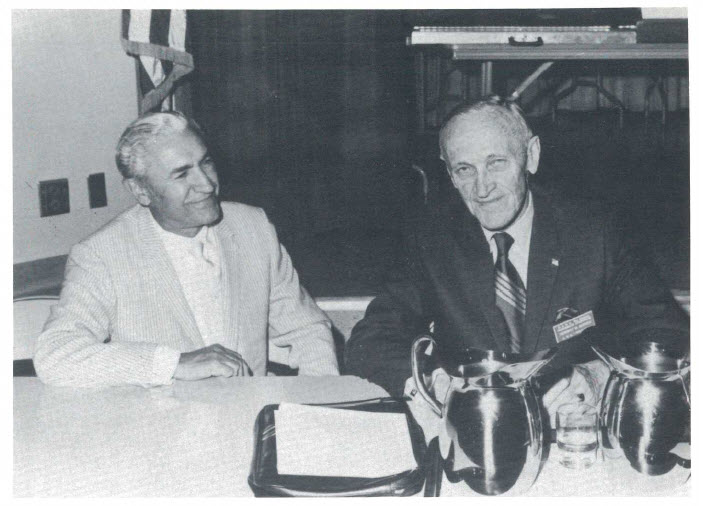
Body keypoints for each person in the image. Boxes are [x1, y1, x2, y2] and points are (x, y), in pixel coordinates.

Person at [344, 96, 688, 418]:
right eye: (464, 170)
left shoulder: (594, 231)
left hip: (579, 429)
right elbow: (370, 340)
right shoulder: (431, 240)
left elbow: (668, 331)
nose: (482, 188)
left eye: (496, 163)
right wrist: (428, 382)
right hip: (475, 429)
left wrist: (601, 377)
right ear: (449, 173)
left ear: (531, 155)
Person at [34, 112, 339, 387]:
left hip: (249, 414)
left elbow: (307, 330)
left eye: (206, 163)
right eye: (181, 174)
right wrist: (173, 364)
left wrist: (317, 405)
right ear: (140, 190)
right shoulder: (102, 254)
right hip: (162, 426)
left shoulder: (253, 227)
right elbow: (56, 355)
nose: (207, 184)